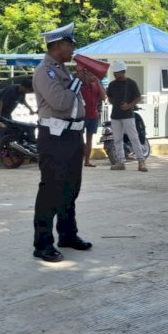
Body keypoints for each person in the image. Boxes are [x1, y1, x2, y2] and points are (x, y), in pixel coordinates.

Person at [31, 22, 92, 262]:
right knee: (51, 189)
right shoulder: (45, 71)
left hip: (71, 136)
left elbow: (74, 103)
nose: (73, 50)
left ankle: (67, 234)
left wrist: (80, 81)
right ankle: (43, 242)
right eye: (69, 45)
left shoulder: (62, 71)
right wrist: (77, 82)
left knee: (71, 188)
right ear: (57, 46)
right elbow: (61, 102)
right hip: (54, 137)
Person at [107, 60, 147, 172]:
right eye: (114, 72)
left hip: (128, 115)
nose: (115, 74)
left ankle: (141, 161)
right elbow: (109, 97)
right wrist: (114, 102)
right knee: (117, 139)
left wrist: (129, 105)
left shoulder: (131, 83)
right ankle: (120, 162)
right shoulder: (112, 84)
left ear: (123, 71)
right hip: (115, 115)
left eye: (117, 72)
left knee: (133, 137)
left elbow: (138, 97)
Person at [79, 66, 107, 168]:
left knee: (89, 139)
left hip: (93, 115)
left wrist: (98, 82)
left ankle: (87, 161)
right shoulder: (80, 86)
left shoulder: (96, 85)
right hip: (81, 116)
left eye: (93, 75)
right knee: (80, 139)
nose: (92, 77)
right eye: (89, 74)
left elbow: (104, 97)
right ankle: (79, 160)